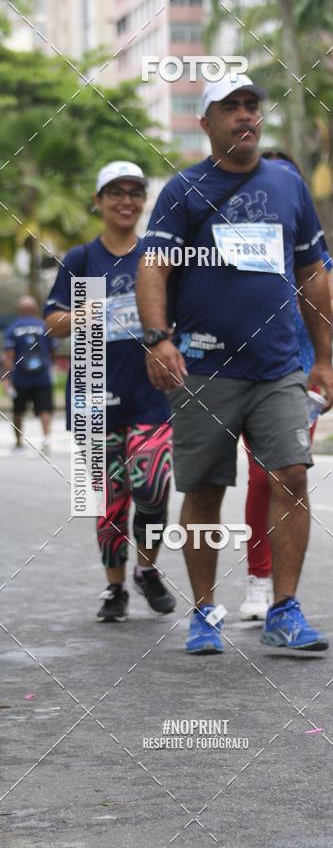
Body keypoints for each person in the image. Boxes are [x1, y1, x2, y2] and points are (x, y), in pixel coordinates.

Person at [137, 73, 333, 654]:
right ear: (206, 122)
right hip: (202, 369)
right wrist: (157, 339)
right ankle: (204, 613)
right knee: (203, 490)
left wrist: (323, 358)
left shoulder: (288, 185)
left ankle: (285, 608)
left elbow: (312, 275)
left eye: (253, 106)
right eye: (231, 108)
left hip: (277, 368)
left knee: (292, 477)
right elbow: (154, 269)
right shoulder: (183, 191)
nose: (245, 116)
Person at [44, 161, 176, 622]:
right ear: (98, 201)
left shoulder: (155, 258)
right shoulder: (81, 259)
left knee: (154, 486)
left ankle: (148, 570)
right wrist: (95, 310)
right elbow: (53, 323)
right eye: (115, 192)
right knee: (113, 498)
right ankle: (115, 588)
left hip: (152, 394)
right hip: (95, 393)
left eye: (135, 192)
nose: (126, 201)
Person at [240, 150, 333, 620]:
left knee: (281, 474)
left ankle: (279, 594)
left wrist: (300, 286)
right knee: (259, 477)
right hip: (241, 370)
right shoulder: (240, 237)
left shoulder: (308, 246)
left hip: (298, 375)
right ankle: (257, 580)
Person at [2, 295, 57, 453]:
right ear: (34, 309)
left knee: (18, 410)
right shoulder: (44, 326)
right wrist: (51, 365)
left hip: (21, 377)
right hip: (42, 376)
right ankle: (46, 438)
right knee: (45, 408)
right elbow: (54, 349)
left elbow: (9, 356)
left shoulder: (13, 328)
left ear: (20, 310)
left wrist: (7, 377)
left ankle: (19, 440)